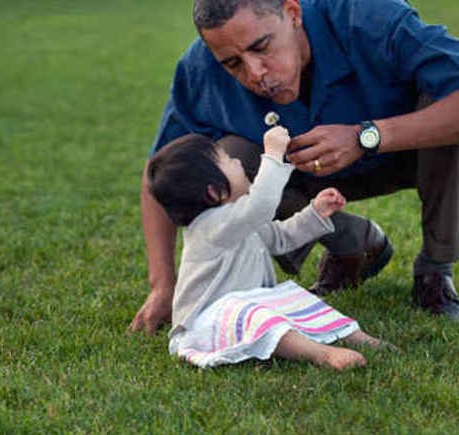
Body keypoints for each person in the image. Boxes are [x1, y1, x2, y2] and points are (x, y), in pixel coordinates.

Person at [130, 0, 459, 333]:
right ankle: (354, 245)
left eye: (262, 46)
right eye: (233, 63)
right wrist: (163, 285)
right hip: (305, 177)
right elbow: (161, 174)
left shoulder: (364, 12)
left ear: (292, 12)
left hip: (404, 154)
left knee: (454, 101)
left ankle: (435, 270)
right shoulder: (201, 69)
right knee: (227, 158)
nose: (255, 74)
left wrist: (366, 136)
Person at [148, 126, 386, 369]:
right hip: (208, 322)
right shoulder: (211, 226)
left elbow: (280, 237)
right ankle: (320, 353)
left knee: (295, 297)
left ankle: (360, 338)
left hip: (248, 309)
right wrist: (273, 154)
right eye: (228, 160)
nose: (238, 162)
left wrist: (315, 214)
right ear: (214, 192)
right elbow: (262, 204)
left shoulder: (236, 219)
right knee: (251, 312)